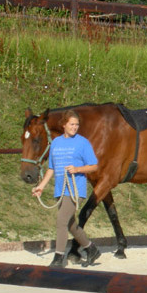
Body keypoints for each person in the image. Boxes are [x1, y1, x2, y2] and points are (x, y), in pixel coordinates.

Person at [31, 110, 102, 268]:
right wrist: (41, 186)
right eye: (72, 124)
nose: (74, 127)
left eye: (76, 125)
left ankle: (58, 258)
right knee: (70, 225)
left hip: (75, 189)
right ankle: (91, 249)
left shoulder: (82, 143)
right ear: (64, 124)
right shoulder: (56, 143)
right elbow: (51, 168)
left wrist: (77, 169)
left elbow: (94, 166)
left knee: (61, 221)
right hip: (60, 189)